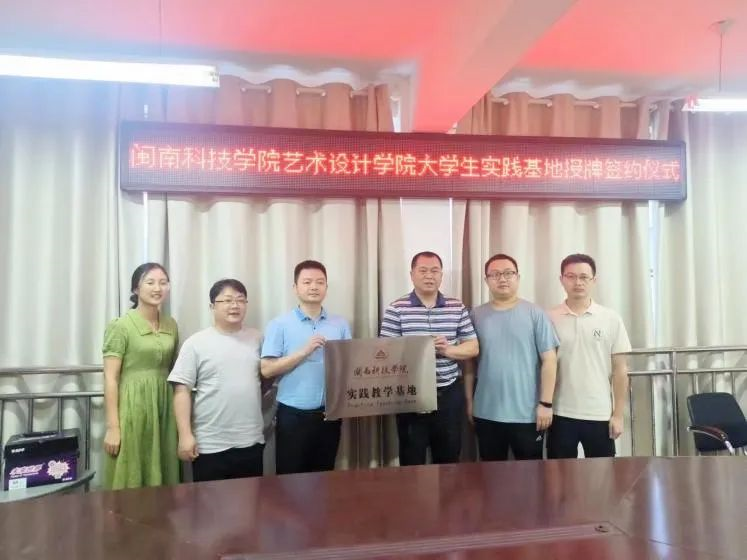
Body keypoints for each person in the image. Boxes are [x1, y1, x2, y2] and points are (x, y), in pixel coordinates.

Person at [380, 251, 478, 466]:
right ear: (412, 275)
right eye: (423, 270)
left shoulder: (456, 306)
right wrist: (421, 349)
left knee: (449, 458)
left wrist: (448, 350)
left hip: (449, 393)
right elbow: (385, 353)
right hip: (410, 394)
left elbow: (473, 347)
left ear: (441, 275)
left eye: (434, 271)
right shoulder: (396, 308)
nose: (429, 276)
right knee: (412, 459)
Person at [260, 260, 351, 475]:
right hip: (293, 416)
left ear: (326, 287)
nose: (314, 287)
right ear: (295, 287)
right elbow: (267, 370)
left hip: (330, 415)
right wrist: (304, 351)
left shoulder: (340, 324)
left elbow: (349, 365)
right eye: (307, 282)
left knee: (325, 477)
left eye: (320, 282)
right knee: (290, 480)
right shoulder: (279, 324)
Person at [168, 279, 265, 482]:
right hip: (210, 444)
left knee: (249, 500)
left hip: (250, 440)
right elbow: (181, 390)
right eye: (227, 300)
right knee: (209, 501)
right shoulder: (196, 343)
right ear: (212, 306)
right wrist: (185, 435)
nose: (235, 305)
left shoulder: (258, 339)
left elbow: (266, 378)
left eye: (240, 300)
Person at [464, 254, 558, 461]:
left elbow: (550, 360)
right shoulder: (475, 316)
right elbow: (469, 364)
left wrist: (546, 404)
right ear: (486, 280)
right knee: (490, 474)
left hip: (528, 414)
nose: (502, 279)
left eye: (508, 273)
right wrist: (470, 401)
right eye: (495, 274)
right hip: (486, 411)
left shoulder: (535, 313)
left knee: (530, 474)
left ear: (518, 277)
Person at [102, 262, 179, 489]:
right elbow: (110, 378)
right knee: (132, 466)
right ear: (136, 289)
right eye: (150, 282)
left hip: (165, 403)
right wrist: (113, 427)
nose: (157, 288)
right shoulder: (121, 326)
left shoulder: (171, 324)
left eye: (163, 282)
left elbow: (174, 368)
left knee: (164, 464)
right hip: (132, 404)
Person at [547, 254, 632, 459]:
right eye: (571, 276)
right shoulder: (549, 318)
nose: (578, 282)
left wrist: (618, 415)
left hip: (599, 413)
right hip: (560, 412)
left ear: (594, 280)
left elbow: (620, 370)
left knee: (603, 474)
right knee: (560, 474)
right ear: (561, 280)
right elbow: (543, 366)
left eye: (584, 277)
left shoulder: (610, 318)